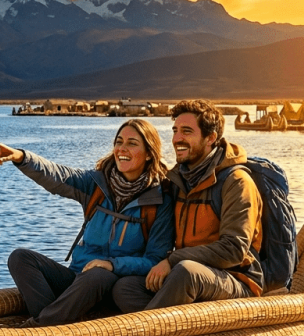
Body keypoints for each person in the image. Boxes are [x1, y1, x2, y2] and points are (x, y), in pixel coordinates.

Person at [0, 119, 175, 327]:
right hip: (78, 278)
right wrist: (23, 158)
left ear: (150, 153)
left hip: (112, 284)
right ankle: (55, 322)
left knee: (99, 275)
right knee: (20, 258)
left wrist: (111, 264)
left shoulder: (160, 201)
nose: (122, 149)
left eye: (132, 143)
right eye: (119, 142)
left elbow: (154, 260)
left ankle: (39, 328)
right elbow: (58, 175)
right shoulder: (96, 184)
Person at [111, 99, 264, 313]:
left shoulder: (236, 182)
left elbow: (234, 250)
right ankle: (169, 326)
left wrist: (172, 260)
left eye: (186, 131)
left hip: (236, 280)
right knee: (125, 288)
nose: (176, 139)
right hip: (188, 276)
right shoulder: (179, 180)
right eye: (175, 131)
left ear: (211, 138)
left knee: (186, 272)